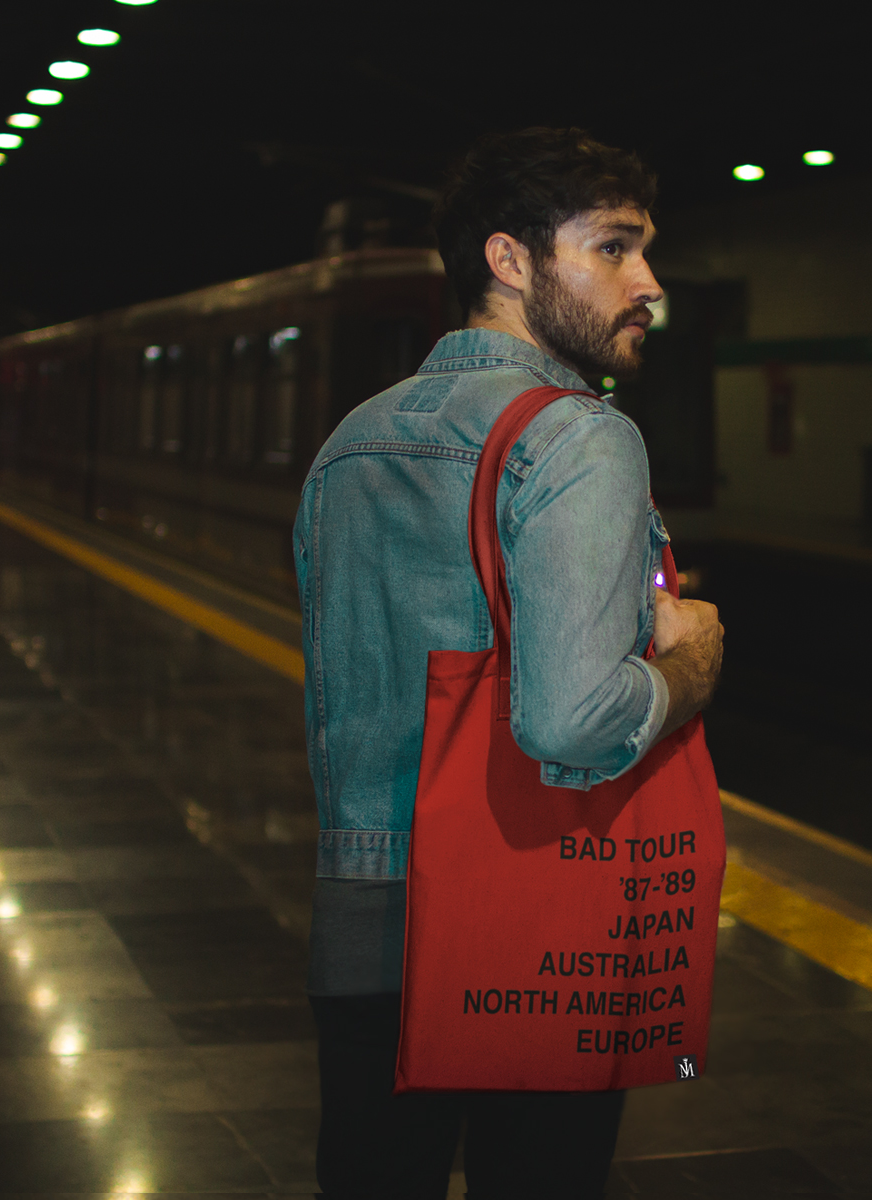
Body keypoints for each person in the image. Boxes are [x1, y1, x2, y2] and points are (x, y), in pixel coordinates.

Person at [293, 127, 724, 1200]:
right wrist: (691, 668)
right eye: (616, 248)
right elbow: (571, 720)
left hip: (363, 926)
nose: (650, 284)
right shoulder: (582, 438)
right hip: (531, 928)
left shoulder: (351, 441)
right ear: (509, 260)